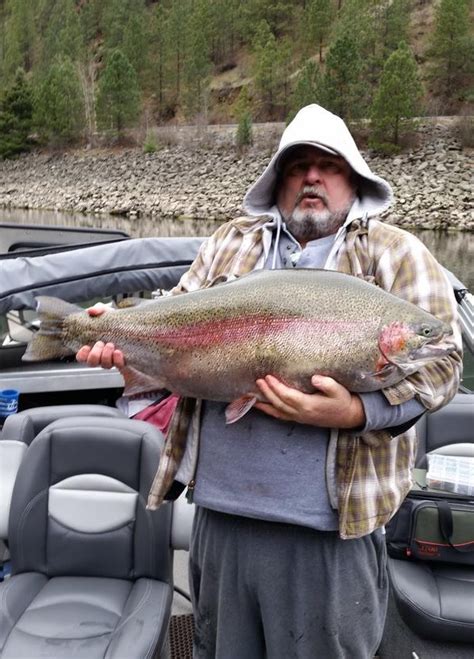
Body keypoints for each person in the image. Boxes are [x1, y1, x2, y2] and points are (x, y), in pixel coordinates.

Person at [77, 104, 462, 658]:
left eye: (327, 166)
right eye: (296, 166)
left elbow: (444, 362)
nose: (311, 177)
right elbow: (173, 321)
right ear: (277, 182)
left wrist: (357, 413)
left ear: (351, 180)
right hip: (221, 520)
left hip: (330, 537)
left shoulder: (398, 253)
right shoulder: (230, 242)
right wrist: (125, 346)